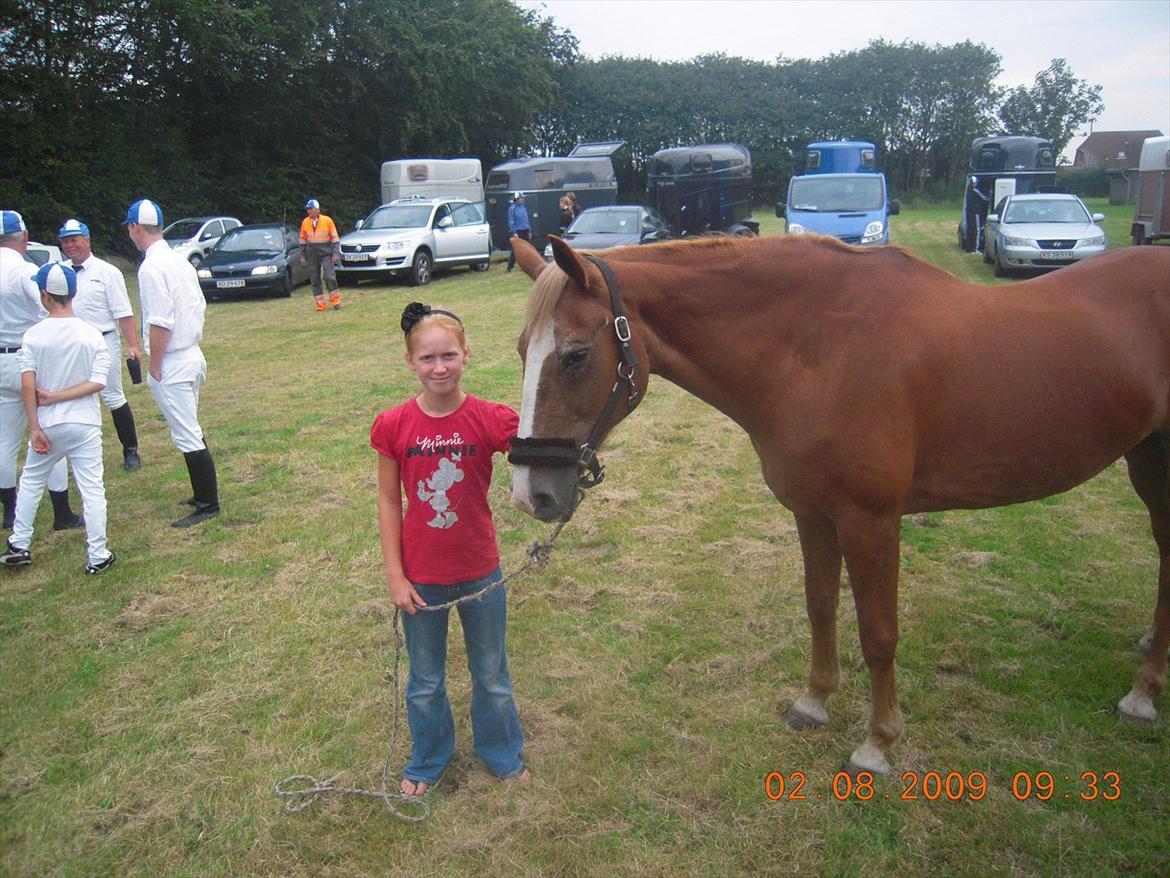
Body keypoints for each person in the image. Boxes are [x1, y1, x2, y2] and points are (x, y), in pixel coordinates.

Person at [372, 302, 529, 797]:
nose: (438, 368)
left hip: (481, 573)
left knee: (491, 674)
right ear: (410, 362)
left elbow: (539, 449)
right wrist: (396, 576)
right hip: (421, 579)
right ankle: (428, 758)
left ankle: (502, 752)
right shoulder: (394, 426)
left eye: (448, 356)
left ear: (466, 355)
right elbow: (387, 502)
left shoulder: (492, 419)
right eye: (427, 358)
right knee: (424, 680)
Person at [1, 262, 116, 574]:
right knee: (92, 488)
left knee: (32, 481)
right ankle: (98, 554)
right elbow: (98, 382)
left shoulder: (34, 336)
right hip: (85, 422)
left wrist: (36, 424)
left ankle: (19, 542)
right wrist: (62, 397)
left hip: (49, 424)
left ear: (44, 295)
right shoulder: (91, 334)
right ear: (74, 293)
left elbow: (28, 384)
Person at [124, 199, 221, 528]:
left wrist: (156, 364)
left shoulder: (152, 267)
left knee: (188, 433)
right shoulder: (178, 260)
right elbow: (198, 304)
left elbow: (161, 320)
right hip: (191, 354)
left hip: (174, 359)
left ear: (136, 228)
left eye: (130, 228)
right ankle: (202, 495)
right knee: (190, 427)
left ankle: (208, 503)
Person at [0, 210, 82, 532]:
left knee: (4, 439)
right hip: (27, 358)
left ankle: (10, 510)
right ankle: (62, 512)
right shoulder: (24, 271)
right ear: (23, 237)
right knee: (48, 431)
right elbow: (46, 309)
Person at [58, 218, 143, 471]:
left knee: (113, 396)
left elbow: (123, 312)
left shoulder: (107, 272)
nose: (70, 245)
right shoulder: (59, 272)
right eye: (65, 241)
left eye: (74, 239)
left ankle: (131, 451)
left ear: (87, 240)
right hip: (71, 343)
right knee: (73, 400)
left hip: (102, 341)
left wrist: (132, 345)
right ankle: (76, 455)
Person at [298, 199, 341, 312]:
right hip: (312, 253)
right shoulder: (305, 222)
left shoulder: (327, 221)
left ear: (317, 210)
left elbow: (335, 239)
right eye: (307, 209)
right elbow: (302, 241)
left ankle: (336, 301)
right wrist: (302, 256)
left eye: (310, 209)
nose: (308, 211)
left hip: (326, 252)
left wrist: (336, 253)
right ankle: (320, 305)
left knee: (329, 276)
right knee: (314, 279)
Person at [506, 192, 531, 272]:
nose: (523, 199)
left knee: (526, 249)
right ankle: (510, 267)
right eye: (521, 198)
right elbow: (511, 221)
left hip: (525, 231)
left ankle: (525, 266)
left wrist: (529, 230)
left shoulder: (524, 208)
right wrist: (514, 232)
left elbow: (526, 220)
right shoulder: (512, 209)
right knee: (515, 250)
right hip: (518, 231)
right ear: (517, 199)